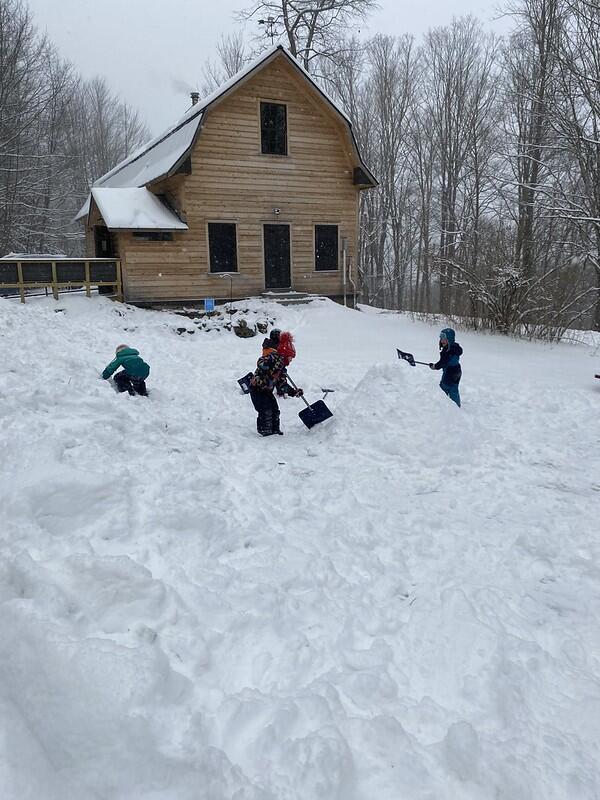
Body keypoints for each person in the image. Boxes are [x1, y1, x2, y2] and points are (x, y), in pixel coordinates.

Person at [249, 331, 303, 436]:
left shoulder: (281, 370)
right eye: (290, 357)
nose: (291, 360)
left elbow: (282, 386)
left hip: (267, 391)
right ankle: (265, 430)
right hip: (257, 389)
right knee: (266, 410)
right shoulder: (273, 357)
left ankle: (275, 430)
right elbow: (261, 362)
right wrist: (269, 367)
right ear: (285, 354)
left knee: (275, 409)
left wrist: (293, 392)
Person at [429, 328, 462, 407]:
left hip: (449, 373)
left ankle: (442, 405)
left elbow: (442, 363)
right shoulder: (455, 347)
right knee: (453, 389)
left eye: (444, 339)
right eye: (441, 338)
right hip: (457, 371)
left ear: (449, 339)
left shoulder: (447, 351)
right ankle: (457, 406)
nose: (442, 340)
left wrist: (434, 366)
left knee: (443, 388)